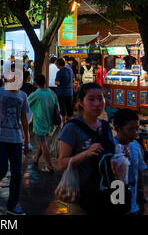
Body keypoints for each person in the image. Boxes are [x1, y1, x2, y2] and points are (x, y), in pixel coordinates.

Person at [57, 82, 116, 214]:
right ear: (81, 102)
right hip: (82, 197)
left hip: (106, 193)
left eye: (100, 98)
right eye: (91, 99)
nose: (97, 103)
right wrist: (86, 153)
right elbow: (61, 164)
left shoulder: (105, 127)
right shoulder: (72, 128)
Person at [0, 69, 31, 215]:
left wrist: (27, 141)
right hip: (0, 137)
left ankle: (12, 205)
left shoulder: (23, 96)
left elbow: (24, 119)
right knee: (1, 169)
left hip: (16, 139)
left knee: (17, 173)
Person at [112, 109, 147, 215]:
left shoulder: (135, 146)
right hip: (116, 202)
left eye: (136, 129)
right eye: (130, 130)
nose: (135, 134)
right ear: (117, 128)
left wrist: (141, 197)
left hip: (134, 203)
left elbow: (138, 171)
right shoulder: (110, 147)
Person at [28, 74, 58, 172]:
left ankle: (50, 166)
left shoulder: (36, 94)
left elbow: (26, 104)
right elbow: (57, 108)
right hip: (50, 121)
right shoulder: (51, 93)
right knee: (43, 141)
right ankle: (36, 158)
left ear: (35, 83)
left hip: (40, 121)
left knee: (43, 143)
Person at [55, 58, 74, 123]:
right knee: (69, 107)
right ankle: (70, 121)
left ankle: (64, 121)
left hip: (62, 92)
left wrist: (56, 83)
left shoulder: (59, 72)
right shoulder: (70, 71)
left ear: (58, 65)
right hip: (70, 92)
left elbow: (58, 83)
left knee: (62, 108)